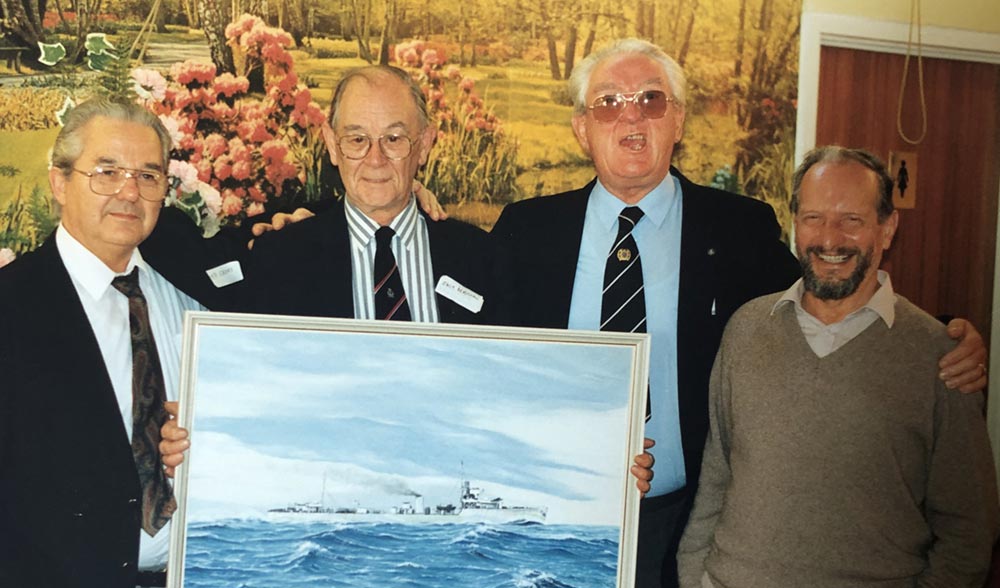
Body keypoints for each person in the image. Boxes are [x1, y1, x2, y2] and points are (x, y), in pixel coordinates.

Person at [489, 38, 988, 588]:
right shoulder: (525, 230)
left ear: (677, 121)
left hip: (689, 522)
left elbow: (830, 297)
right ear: (582, 128)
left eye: (651, 100)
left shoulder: (739, 228)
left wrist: (949, 336)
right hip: (554, 520)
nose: (630, 115)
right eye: (609, 101)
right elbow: (481, 359)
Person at [676, 146, 999, 587]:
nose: (829, 239)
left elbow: (969, 529)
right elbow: (717, 477)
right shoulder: (747, 330)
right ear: (795, 225)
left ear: (887, 229)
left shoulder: (942, 355)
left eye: (851, 219)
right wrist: (695, 574)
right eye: (813, 217)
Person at [0, 98, 203, 587]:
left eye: (148, 175)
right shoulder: (11, 309)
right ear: (60, 182)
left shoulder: (197, 292)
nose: (129, 193)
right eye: (107, 172)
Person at [142, 65, 495, 324]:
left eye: (394, 139)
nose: (375, 159)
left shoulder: (484, 258)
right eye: (357, 139)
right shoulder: (278, 254)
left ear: (424, 145)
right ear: (331, 145)